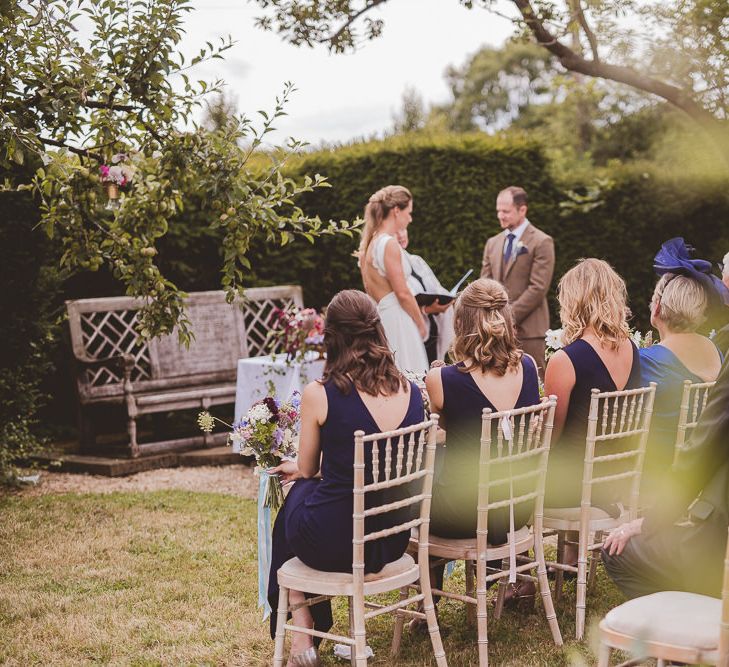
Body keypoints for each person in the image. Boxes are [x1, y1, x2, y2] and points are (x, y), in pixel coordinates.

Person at [266, 290, 426, 666]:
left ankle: (299, 616)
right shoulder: (411, 390)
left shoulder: (320, 394)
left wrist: (304, 471)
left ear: (332, 336)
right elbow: (372, 462)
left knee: (299, 493)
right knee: (308, 493)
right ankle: (304, 619)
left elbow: (306, 469)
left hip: (338, 543)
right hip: (390, 539)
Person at [424, 278, 541, 601]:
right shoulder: (529, 367)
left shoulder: (442, 379)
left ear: (460, 324)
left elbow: (438, 435)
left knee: (422, 485)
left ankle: (429, 596)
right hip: (518, 506)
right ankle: (518, 571)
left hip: (467, 513)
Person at [602, 354, 729, 599]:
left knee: (616, 552)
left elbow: (703, 447)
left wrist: (650, 521)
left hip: (719, 539)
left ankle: (690, 623)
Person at [543, 259, 641, 567]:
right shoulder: (631, 349)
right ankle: (570, 558)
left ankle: (517, 580)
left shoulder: (565, 359)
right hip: (614, 480)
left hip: (576, 487)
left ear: (574, 300)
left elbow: (551, 438)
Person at [639, 240, 726, 501]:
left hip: (657, 476)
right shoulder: (715, 350)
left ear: (657, 308)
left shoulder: (647, 360)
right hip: (704, 472)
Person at [480, 186, 555, 376]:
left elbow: (538, 288)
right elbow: (485, 285)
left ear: (522, 210)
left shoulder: (542, 241)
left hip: (530, 331)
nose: (500, 215)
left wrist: (507, 317)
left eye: (505, 211)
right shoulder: (492, 243)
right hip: (496, 333)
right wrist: (492, 320)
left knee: (535, 382)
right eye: (498, 210)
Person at [359, 185, 429, 373]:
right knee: (410, 373)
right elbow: (402, 293)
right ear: (397, 211)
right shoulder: (388, 243)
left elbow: (369, 288)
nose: (410, 218)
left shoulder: (368, 243)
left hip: (382, 317)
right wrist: (421, 323)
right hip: (398, 319)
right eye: (409, 212)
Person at [396, 227, 455, 364]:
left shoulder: (417, 261)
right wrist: (426, 310)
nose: (401, 235)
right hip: (414, 332)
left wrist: (446, 298)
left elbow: (436, 288)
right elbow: (400, 302)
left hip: (433, 328)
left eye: (403, 230)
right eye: (396, 232)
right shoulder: (393, 270)